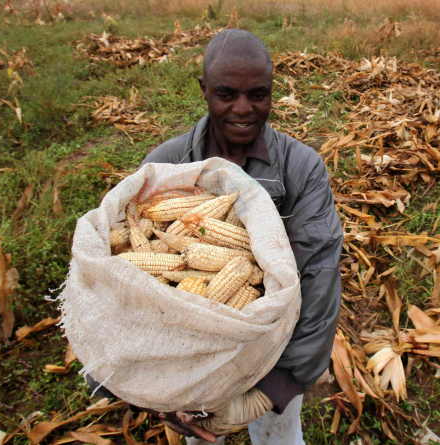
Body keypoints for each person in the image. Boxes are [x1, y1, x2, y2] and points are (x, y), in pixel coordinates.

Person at [87, 29, 343, 445]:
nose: (243, 109)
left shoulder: (301, 169)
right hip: (187, 360)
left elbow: (320, 277)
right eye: (226, 94)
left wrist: (273, 389)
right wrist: (148, 385)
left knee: (277, 436)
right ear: (204, 89)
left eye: (258, 95)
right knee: (198, 436)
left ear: (272, 90)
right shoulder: (166, 165)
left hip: (272, 349)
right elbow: (123, 289)